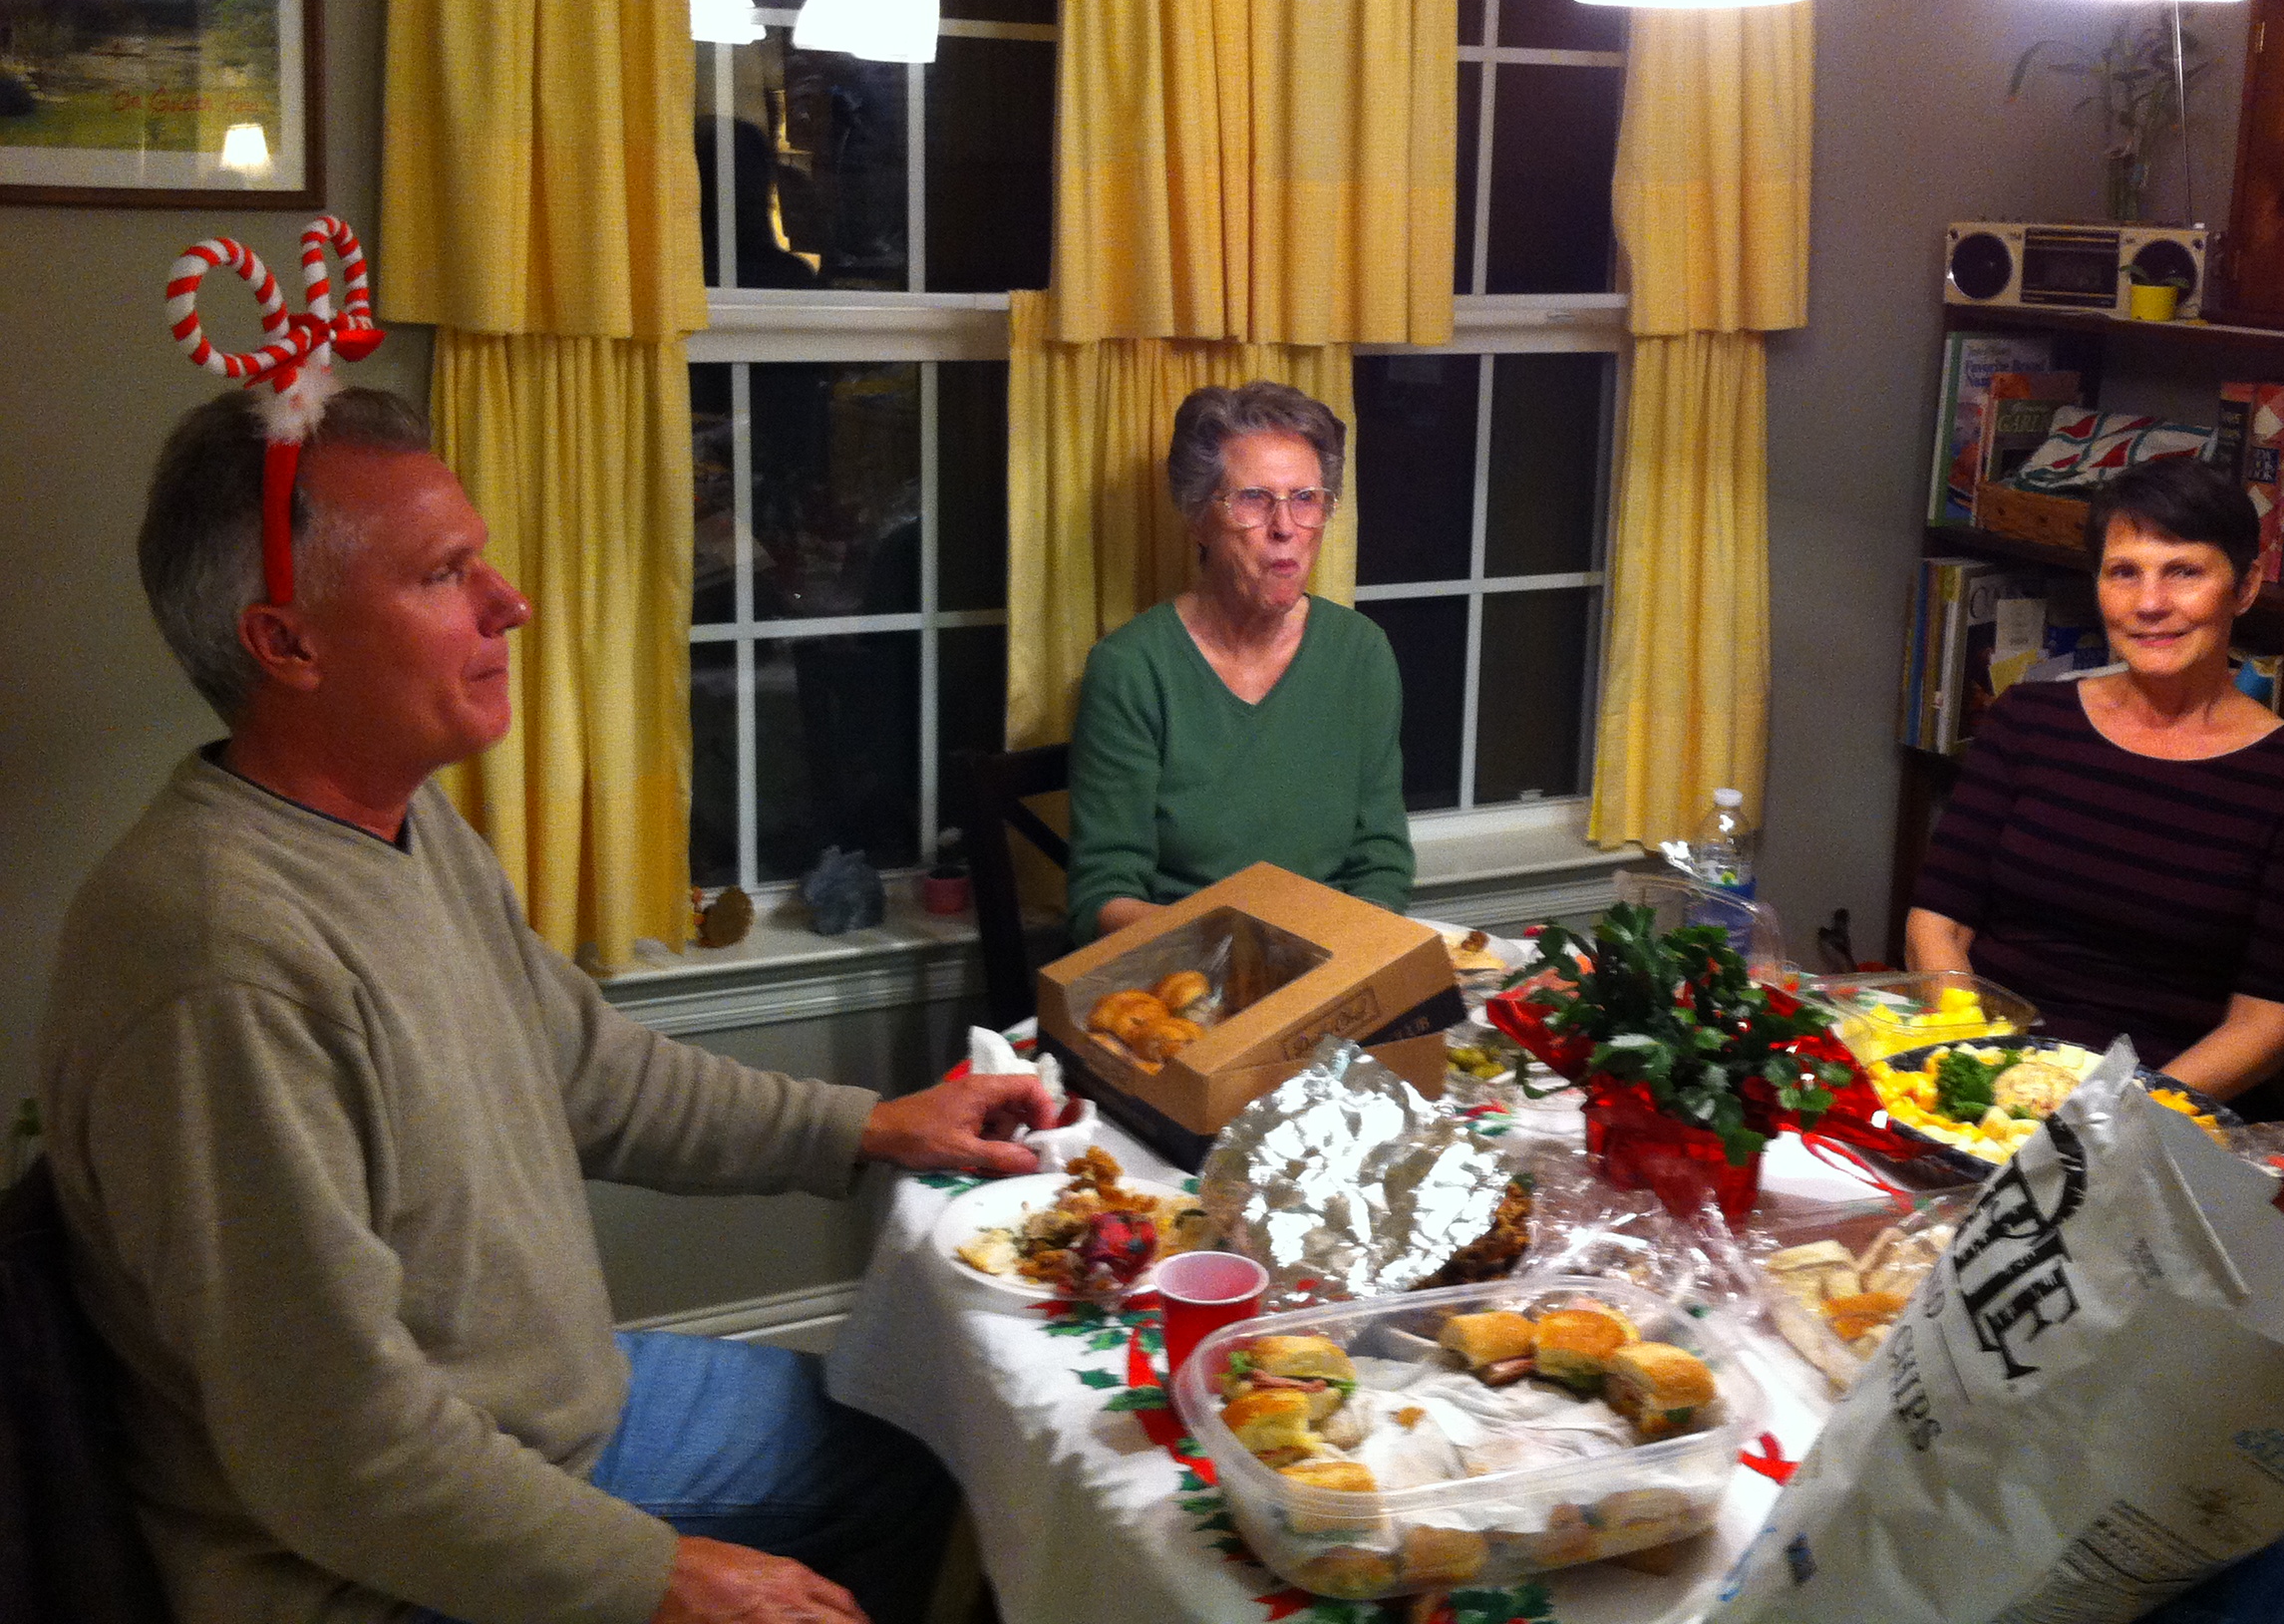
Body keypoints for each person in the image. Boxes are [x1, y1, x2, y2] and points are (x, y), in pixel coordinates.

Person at [40, 386, 1056, 1624]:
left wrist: (873, 1125)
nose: (509, 600)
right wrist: (658, 1576)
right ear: (288, 644)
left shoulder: (405, 826)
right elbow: (340, 1453)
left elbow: (596, 1072)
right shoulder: (221, 961)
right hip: (368, 1564)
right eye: (443, 574)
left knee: (932, 1448)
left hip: (557, 1412)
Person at [1904, 456, 2284, 1099]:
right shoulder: (2027, 721)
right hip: (1982, 1072)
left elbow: (2268, 1021)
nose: (2149, 604)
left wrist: (2109, 1117)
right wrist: (1982, 1071)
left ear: (2246, 587)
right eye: (2123, 573)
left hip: (2157, 1106)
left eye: (2185, 572)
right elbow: (1937, 924)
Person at [1066, 382, 1413, 942]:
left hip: (1335, 952)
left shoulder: (1361, 653)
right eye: (1253, 498)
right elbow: (1103, 895)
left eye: (1306, 499)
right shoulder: (1132, 668)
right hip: (1182, 964)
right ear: (1197, 517)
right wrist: (1249, 949)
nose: (1285, 527)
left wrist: (1343, 953)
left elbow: (1381, 861)